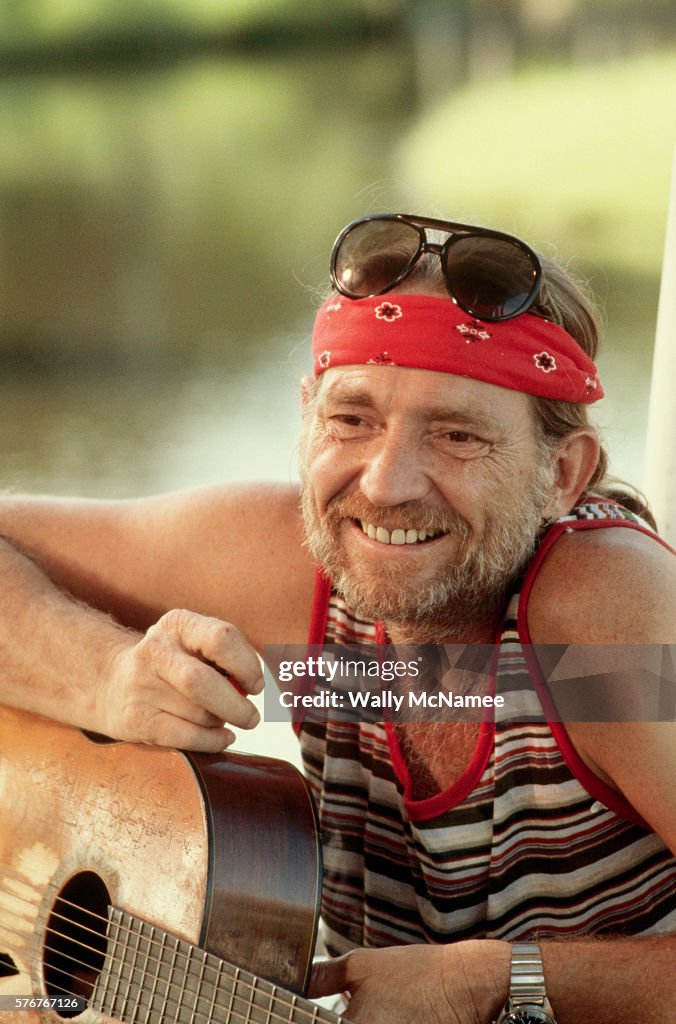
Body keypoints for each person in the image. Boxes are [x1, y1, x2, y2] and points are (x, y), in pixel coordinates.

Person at [0, 212, 674, 1024]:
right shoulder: (300, 564)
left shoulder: (602, 619)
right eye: (352, 420)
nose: (387, 485)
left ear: (563, 474)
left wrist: (501, 979)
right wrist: (104, 676)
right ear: (307, 418)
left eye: (457, 436)